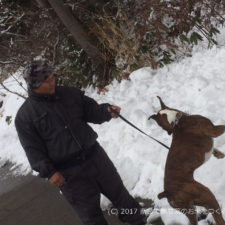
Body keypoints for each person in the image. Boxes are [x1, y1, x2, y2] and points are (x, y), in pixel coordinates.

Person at [15, 60, 148, 225]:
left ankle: (139, 222)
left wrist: (105, 111)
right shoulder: (25, 116)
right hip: (69, 173)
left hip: (96, 157)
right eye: (46, 81)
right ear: (34, 84)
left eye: (52, 77)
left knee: (121, 196)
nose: (52, 82)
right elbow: (33, 150)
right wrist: (50, 172)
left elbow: (91, 111)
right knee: (91, 216)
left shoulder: (69, 93)